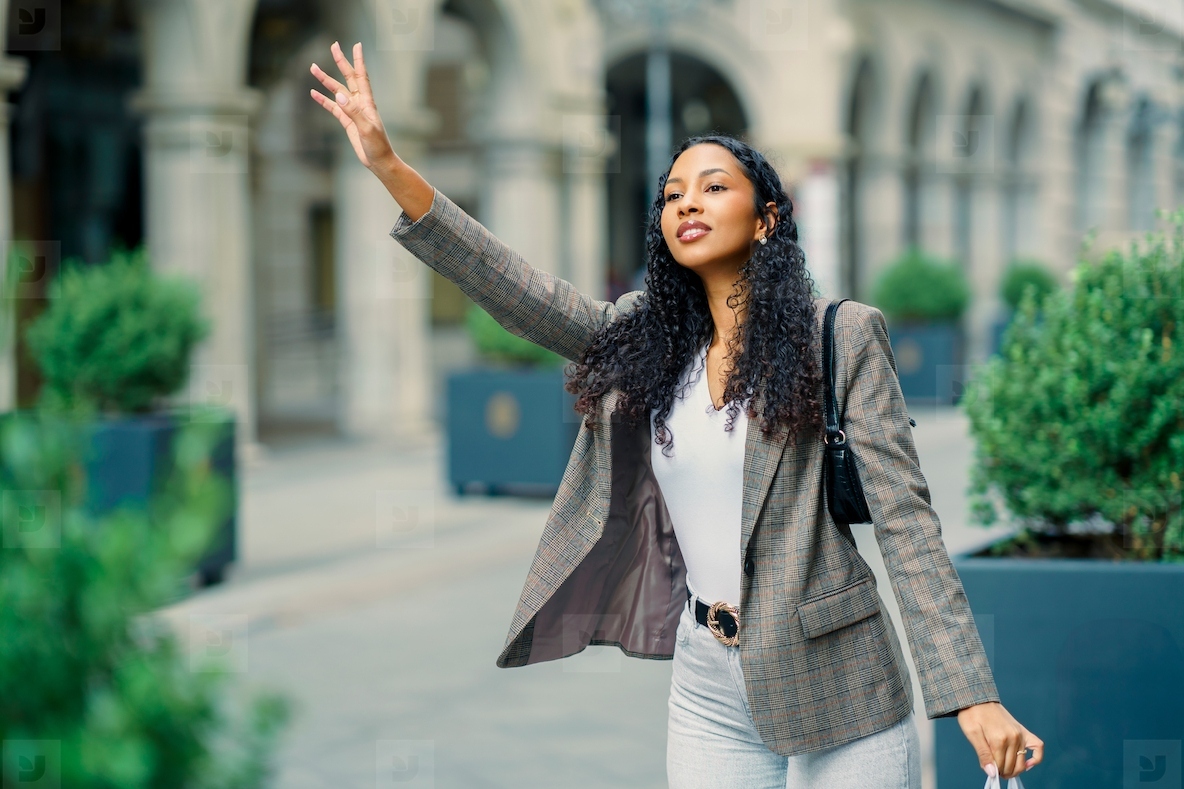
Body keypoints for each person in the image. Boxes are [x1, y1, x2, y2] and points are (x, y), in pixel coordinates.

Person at [309, 40, 1044, 788]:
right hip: (707, 679)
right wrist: (389, 167)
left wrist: (968, 693)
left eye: (714, 186)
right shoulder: (644, 339)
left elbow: (907, 523)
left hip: (838, 680)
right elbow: (521, 291)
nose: (687, 201)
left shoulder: (842, 335)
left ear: (766, 220)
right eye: (672, 193)